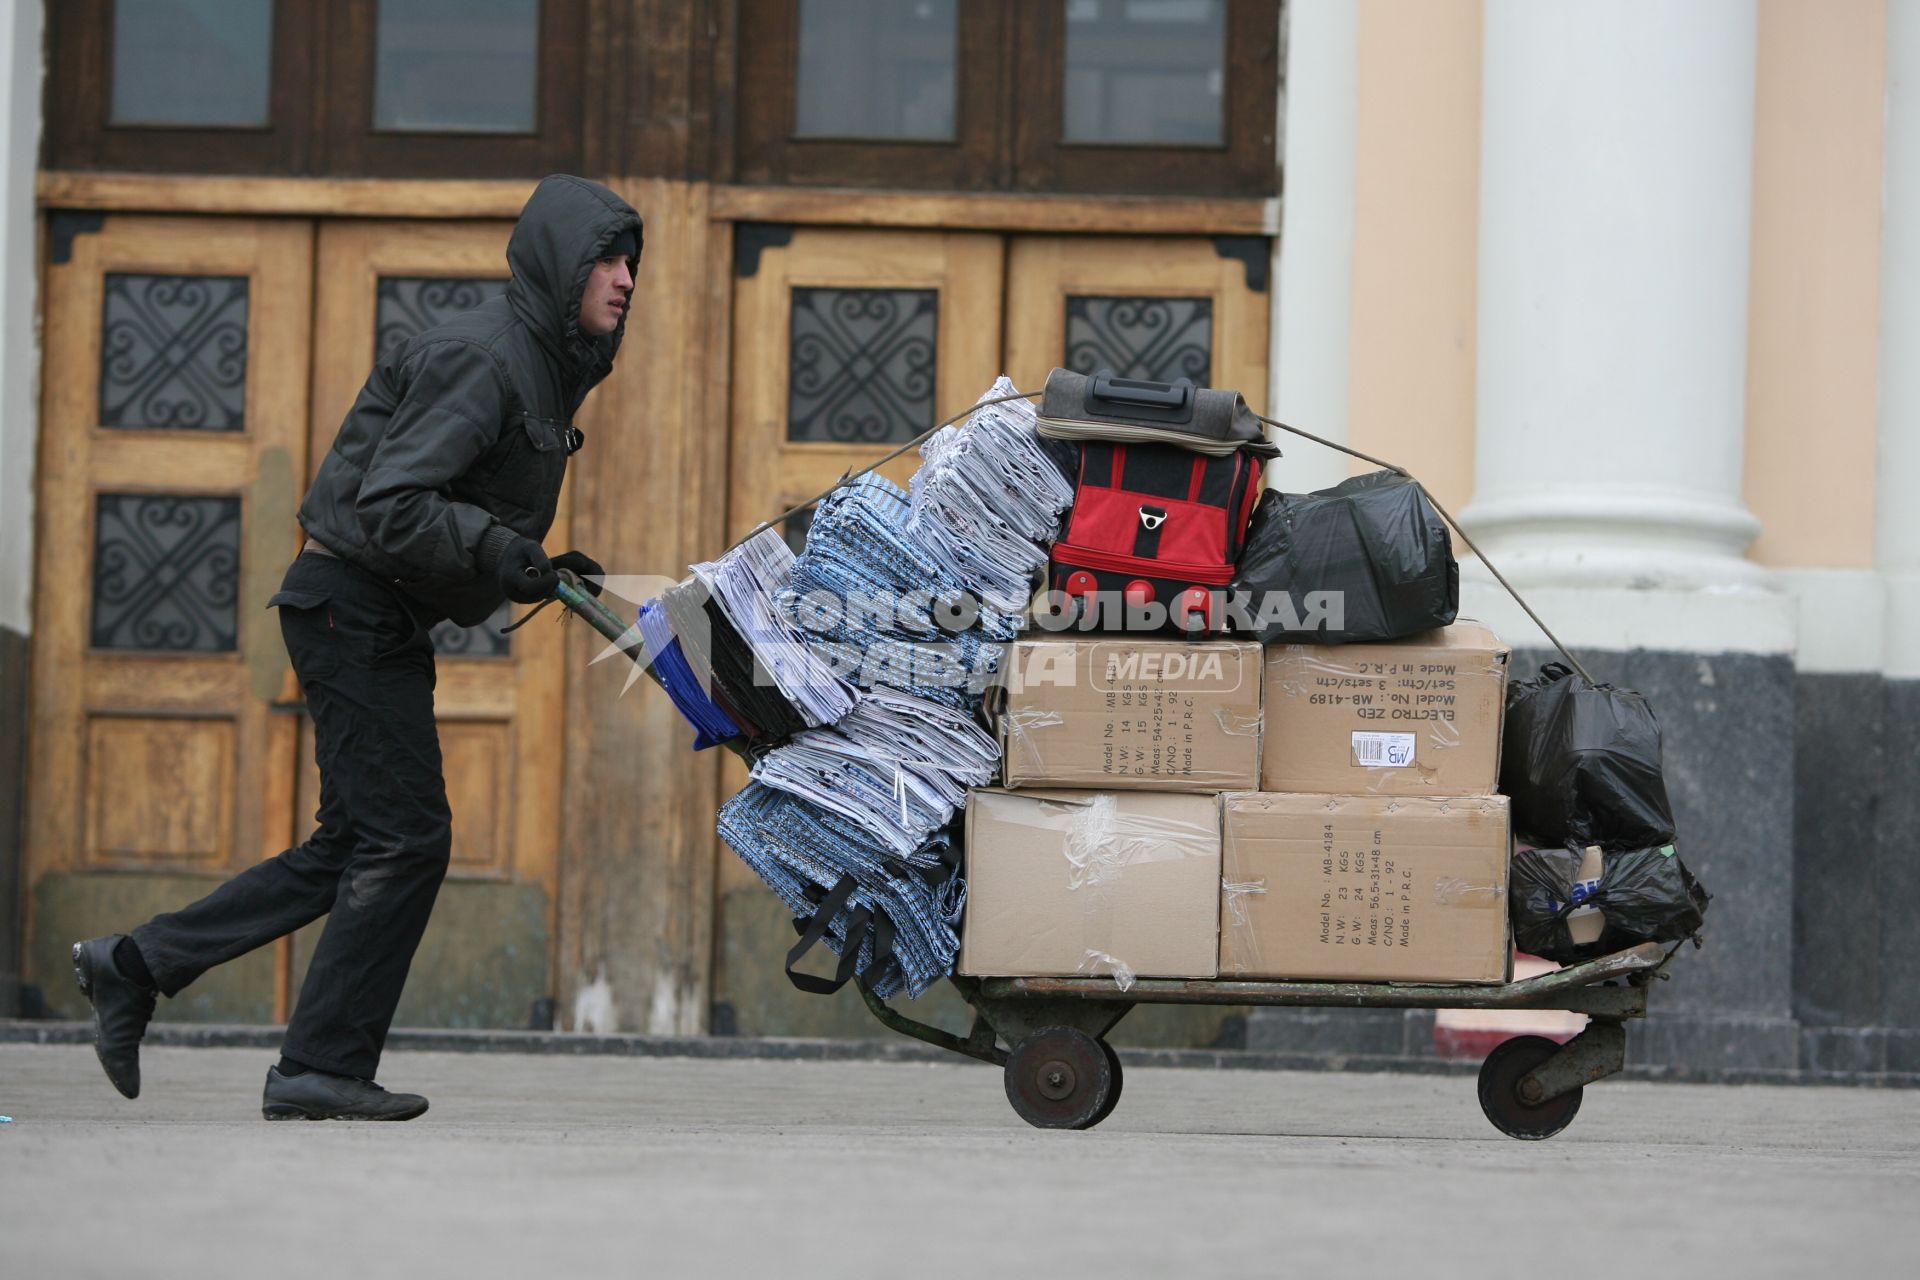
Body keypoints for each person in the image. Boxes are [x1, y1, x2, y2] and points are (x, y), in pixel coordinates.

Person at [70, 174, 642, 1121]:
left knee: (354, 843)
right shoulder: (486, 357)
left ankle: (131, 966)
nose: (625, 280)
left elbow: (452, 503)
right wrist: (498, 548)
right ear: (563, 264)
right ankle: (316, 1066)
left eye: (632, 263)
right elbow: (395, 502)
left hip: (373, 611)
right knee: (407, 836)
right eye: (609, 260)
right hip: (350, 604)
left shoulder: (544, 362)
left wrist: (521, 560)